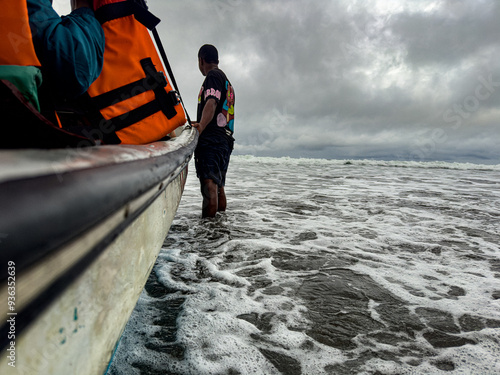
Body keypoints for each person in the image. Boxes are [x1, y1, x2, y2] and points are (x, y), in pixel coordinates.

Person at [192, 44, 235, 218]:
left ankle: (207, 237)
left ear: (201, 60)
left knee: (209, 185)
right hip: (225, 140)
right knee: (218, 186)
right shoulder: (226, 81)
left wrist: (201, 126)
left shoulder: (213, 76)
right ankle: (217, 232)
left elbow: (211, 102)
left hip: (211, 140)